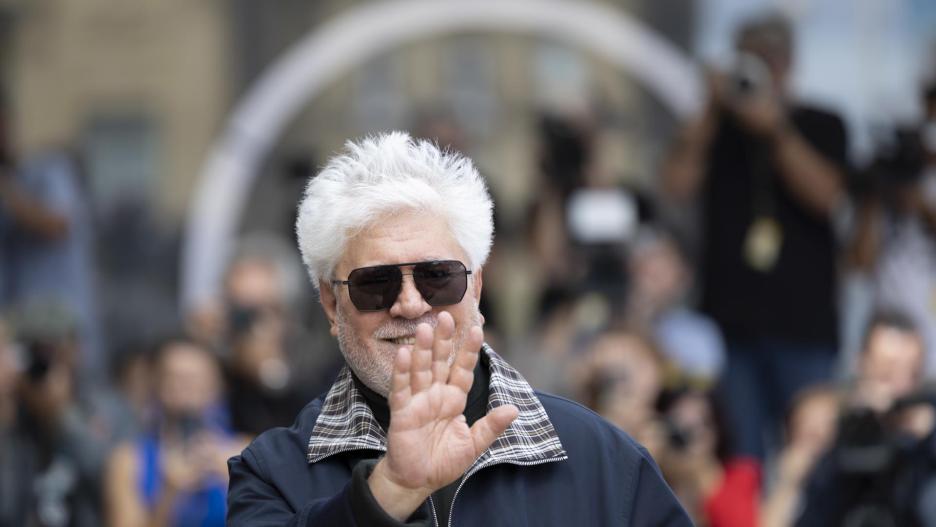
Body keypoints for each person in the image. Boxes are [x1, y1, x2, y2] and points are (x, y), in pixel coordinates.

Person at [226, 132, 691, 526]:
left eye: (437, 277)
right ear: (331, 303)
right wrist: (387, 493)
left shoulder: (605, 461)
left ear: (477, 287)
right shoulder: (271, 474)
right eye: (375, 284)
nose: (409, 304)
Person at [661, 12, 850, 462]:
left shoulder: (821, 122)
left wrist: (774, 127)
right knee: (740, 455)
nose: (760, 66)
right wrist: (710, 109)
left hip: (805, 325)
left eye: (770, 57)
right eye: (750, 56)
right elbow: (675, 186)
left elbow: (829, 198)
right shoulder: (715, 130)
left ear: (788, 64)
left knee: (810, 452)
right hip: (730, 325)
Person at [796, 312, 934, 526]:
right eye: (886, 373)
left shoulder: (927, 439)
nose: (899, 388)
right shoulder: (834, 426)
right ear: (861, 364)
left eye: (912, 373)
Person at [105, 337, 246, 527]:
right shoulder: (129, 460)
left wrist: (240, 482)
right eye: (175, 377)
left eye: (196, 378)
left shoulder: (245, 452)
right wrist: (168, 494)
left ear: (217, 385)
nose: (186, 387)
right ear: (156, 383)